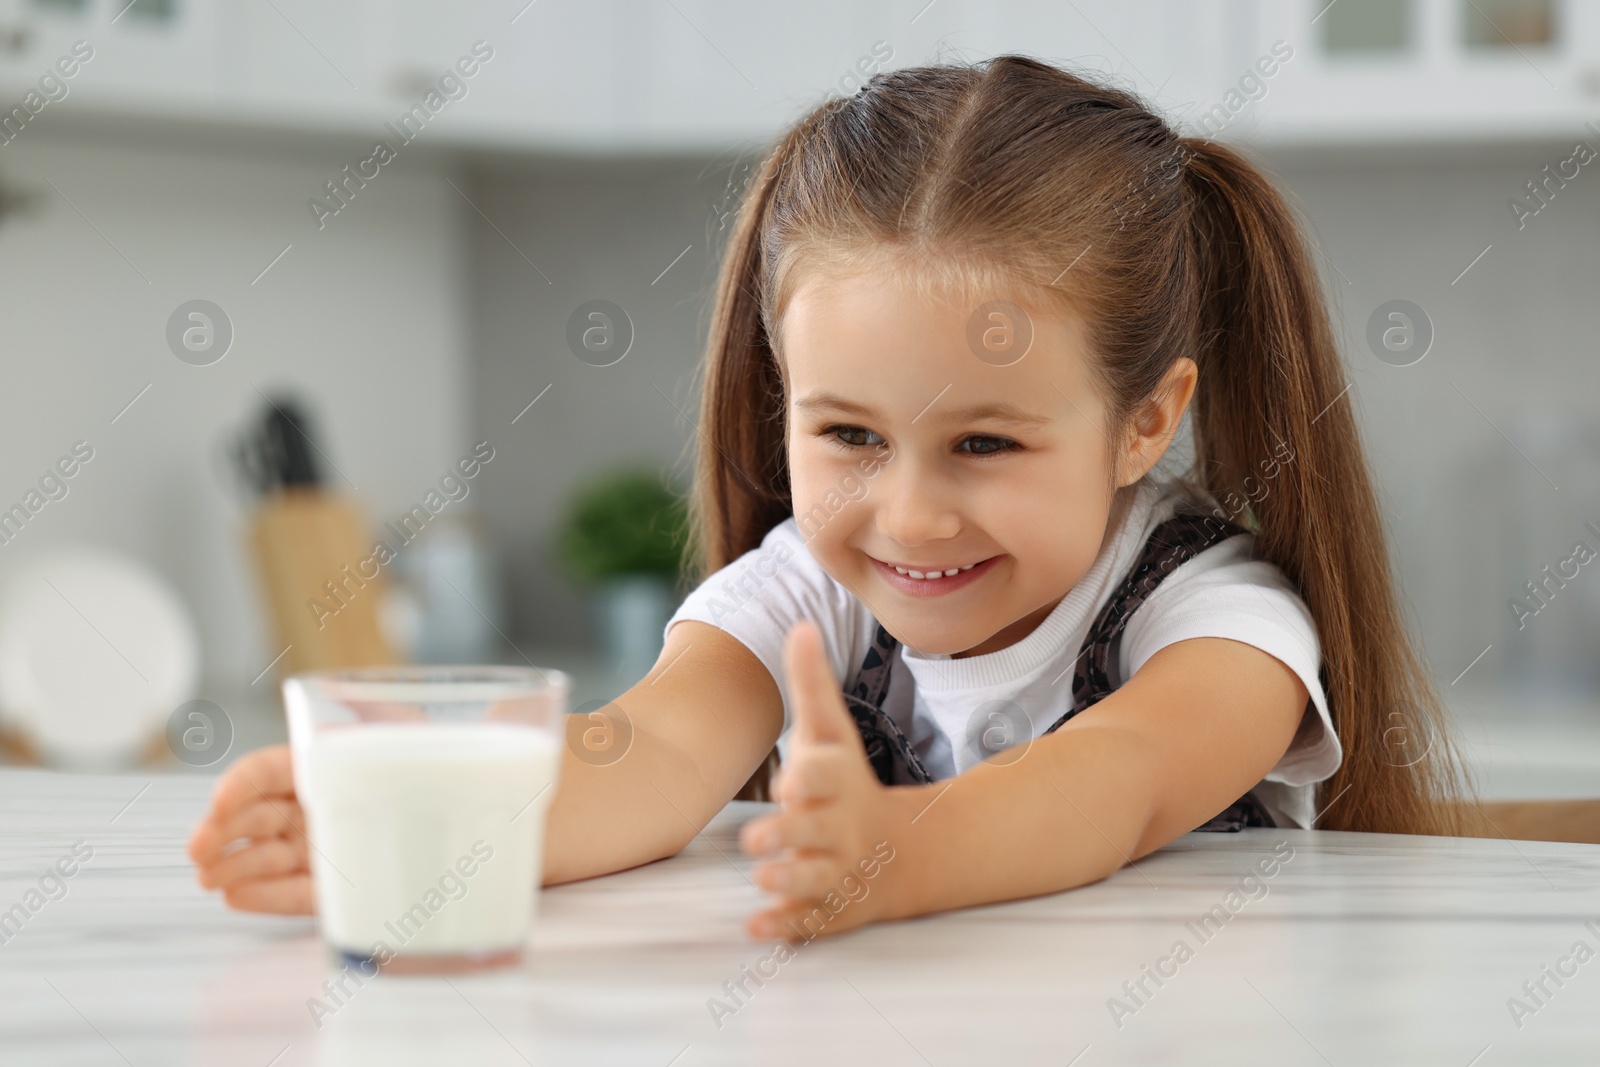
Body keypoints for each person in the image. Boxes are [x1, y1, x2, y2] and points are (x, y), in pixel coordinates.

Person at [187, 55, 1468, 942]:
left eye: (983, 443)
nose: (908, 515)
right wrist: (409, 813)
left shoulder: (1220, 615)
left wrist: (894, 850)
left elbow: (1114, 780)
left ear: (1146, 419)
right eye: (849, 432)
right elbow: (644, 753)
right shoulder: (806, 584)